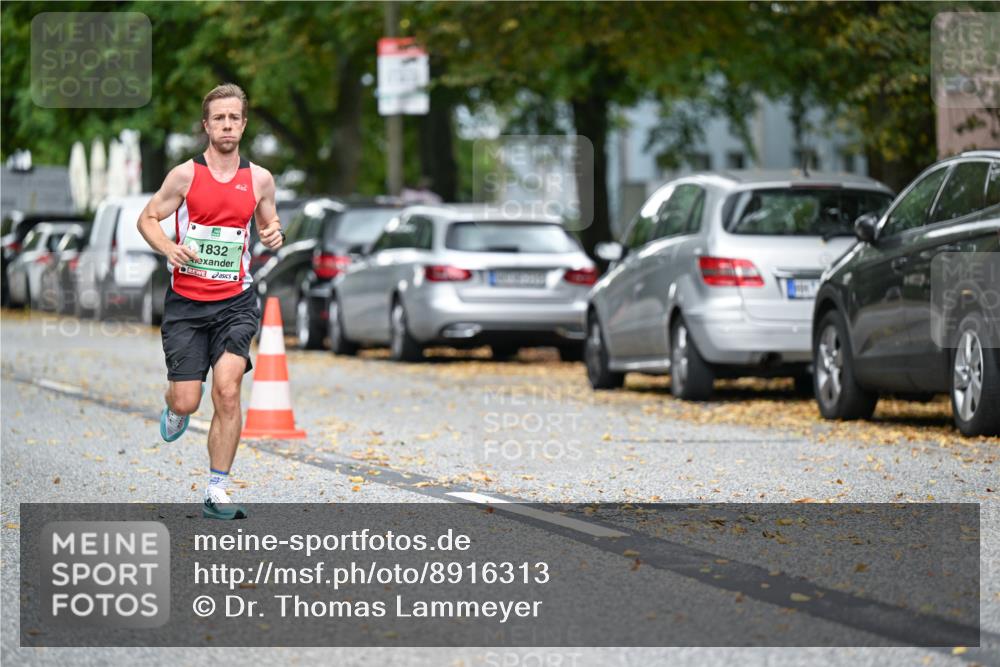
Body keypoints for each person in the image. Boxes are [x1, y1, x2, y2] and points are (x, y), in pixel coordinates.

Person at [137, 83, 284, 520]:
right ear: (206, 125)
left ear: (243, 124)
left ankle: (217, 490)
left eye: (233, 118)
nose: (226, 125)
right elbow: (148, 217)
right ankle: (175, 407)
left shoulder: (259, 179)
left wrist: (275, 233)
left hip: (236, 302)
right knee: (187, 400)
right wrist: (168, 247)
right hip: (186, 302)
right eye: (218, 118)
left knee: (228, 390)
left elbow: (270, 223)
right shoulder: (185, 175)